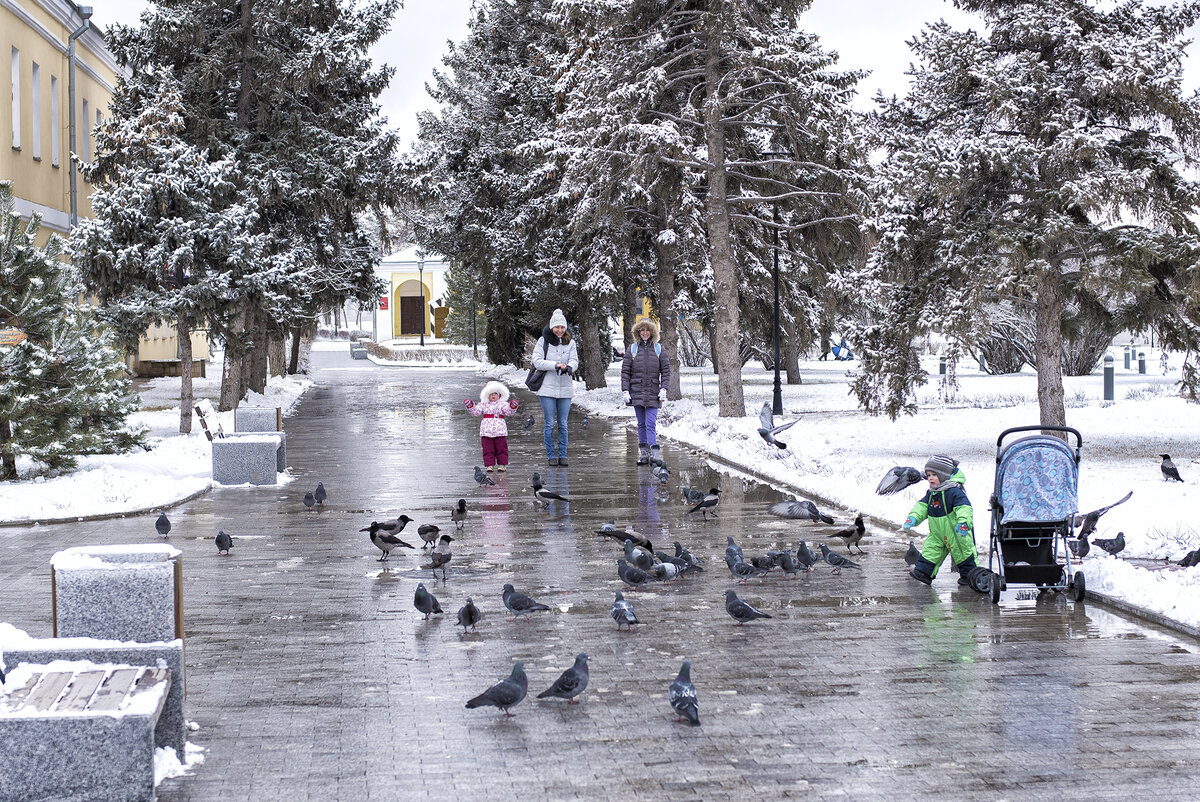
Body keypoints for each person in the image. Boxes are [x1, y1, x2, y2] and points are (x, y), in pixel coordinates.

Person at [902, 455, 978, 585]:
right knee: (930, 552)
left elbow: (964, 508)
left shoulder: (954, 491)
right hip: (937, 533)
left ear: (944, 476)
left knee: (964, 554)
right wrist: (913, 518)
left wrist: (963, 523)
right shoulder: (932, 493)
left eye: (934, 475)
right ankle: (924, 573)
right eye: (928, 475)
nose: (930, 478)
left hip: (956, 533)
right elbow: (922, 506)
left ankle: (971, 577)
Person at [621, 318, 672, 465]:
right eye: (642, 330)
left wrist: (664, 388)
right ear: (638, 332)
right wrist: (625, 390)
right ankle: (644, 454)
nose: (644, 332)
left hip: (653, 392)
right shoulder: (632, 349)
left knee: (650, 422)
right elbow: (625, 372)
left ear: (652, 332)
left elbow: (666, 371)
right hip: (636, 391)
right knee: (641, 423)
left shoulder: (659, 349)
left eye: (647, 330)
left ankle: (654, 454)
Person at [532, 309, 579, 467]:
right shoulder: (543, 341)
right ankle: (551, 455)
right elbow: (537, 361)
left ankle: (563, 454)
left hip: (565, 388)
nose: (560, 330)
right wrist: (555, 365)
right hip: (547, 388)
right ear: (552, 327)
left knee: (563, 424)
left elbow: (575, 360)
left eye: (562, 327)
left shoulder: (570, 342)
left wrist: (569, 367)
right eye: (557, 327)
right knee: (549, 424)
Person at [464, 380, 519, 472]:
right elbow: (476, 412)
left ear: (499, 395)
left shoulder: (502, 404)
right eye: (491, 394)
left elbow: (508, 411)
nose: (493, 396)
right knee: (487, 449)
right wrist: (471, 406)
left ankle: (502, 464)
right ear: (487, 395)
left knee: (501, 448)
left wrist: (512, 407)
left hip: (500, 430)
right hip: (486, 430)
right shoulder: (483, 405)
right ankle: (489, 465)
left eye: (495, 394)